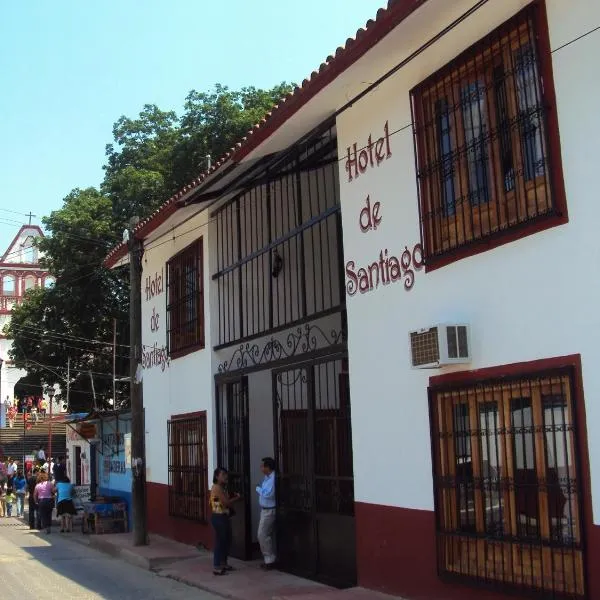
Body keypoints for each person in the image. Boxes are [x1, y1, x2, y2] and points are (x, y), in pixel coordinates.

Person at [209, 468, 240, 576]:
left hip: (223, 516)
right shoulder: (217, 487)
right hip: (218, 517)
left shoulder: (223, 488)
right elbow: (226, 503)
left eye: (226, 474)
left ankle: (223, 563)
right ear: (217, 476)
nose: (225, 476)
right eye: (223, 474)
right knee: (220, 541)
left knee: (227, 540)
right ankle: (217, 566)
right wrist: (236, 498)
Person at [256, 457, 277, 569]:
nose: (261, 468)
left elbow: (268, 494)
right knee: (265, 534)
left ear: (268, 467)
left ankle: (269, 559)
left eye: (263, 466)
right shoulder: (266, 478)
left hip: (269, 510)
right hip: (264, 510)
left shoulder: (273, 479)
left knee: (262, 534)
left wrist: (258, 489)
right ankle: (269, 558)